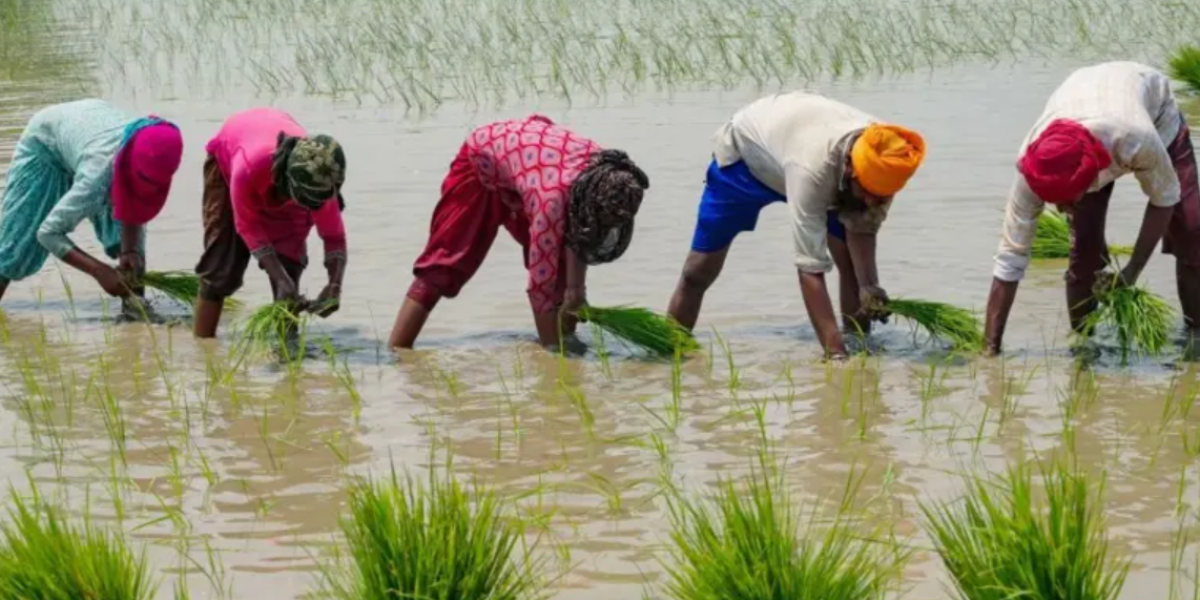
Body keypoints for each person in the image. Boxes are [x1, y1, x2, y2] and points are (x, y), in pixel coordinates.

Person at [665, 91, 927, 358]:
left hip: (811, 160)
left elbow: (862, 228)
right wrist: (835, 356)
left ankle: (860, 346)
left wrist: (869, 285)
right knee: (697, 272)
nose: (874, 201)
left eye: (880, 197)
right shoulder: (813, 168)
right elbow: (809, 269)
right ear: (850, 169)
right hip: (746, 163)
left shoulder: (887, 161)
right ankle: (670, 350)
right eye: (868, 192)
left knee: (849, 265)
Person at [984, 62, 1200, 354]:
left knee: (1191, 229)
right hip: (1084, 101)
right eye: (1054, 202)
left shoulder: (1136, 139)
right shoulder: (1033, 167)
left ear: (1092, 176)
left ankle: (1194, 338)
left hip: (1152, 111)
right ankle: (1085, 346)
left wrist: (1132, 270)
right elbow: (1009, 260)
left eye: (1068, 200)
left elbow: (1165, 198)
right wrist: (990, 351)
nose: (1061, 210)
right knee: (1085, 250)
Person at [388, 114, 650, 350]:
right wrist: (554, 358)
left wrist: (576, 292)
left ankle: (567, 341)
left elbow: (579, 232)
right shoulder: (553, 202)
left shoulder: (609, 173)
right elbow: (539, 288)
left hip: (530, 165)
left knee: (560, 269)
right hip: (481, 162)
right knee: (444, 266)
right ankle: (396, 354)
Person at [0, 99, 183, 305]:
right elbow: (48, 233)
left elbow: (134, 208)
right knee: (14, 248)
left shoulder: (154, 154)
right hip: (46, 145)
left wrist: (131, 250)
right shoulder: (97, 178)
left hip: (89, 131)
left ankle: (136, 313)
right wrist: (99, 271)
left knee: (128, 248)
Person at [193, 108, 348, 338]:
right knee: (221, 268)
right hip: (231, 157)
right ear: (288, 184)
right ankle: (203, 346)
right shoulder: (248, 167)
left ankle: (287, 353)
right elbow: (247, 226)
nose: (313, 209)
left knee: (290, 267)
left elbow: (334, 237)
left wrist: (334, 286)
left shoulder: (320, 179)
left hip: (287, 179)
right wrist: (279, 277)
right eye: (305, 202)